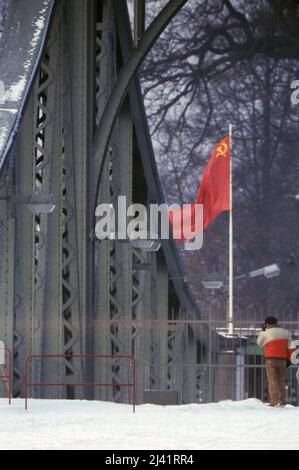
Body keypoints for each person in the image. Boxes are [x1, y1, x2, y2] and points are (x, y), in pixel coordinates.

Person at [256, 316, 292, 407]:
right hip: (283, 359)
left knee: (272, 380)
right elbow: (290, 346)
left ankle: (274, 401)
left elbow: (259, 343)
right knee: (281, 380)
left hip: (271, 359)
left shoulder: (266, 333)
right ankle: (282, 401)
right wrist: (289, 359)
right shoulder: (286, 333)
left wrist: (262, 331)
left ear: (267, 324)